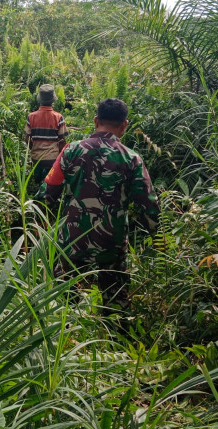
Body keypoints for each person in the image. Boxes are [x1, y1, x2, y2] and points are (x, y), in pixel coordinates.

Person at [38, 98, 159, 308]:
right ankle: (113, 332)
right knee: (115, 303)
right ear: (124, 125)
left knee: (65, 304)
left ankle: (68, 334)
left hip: (73, 240)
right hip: (112, 244)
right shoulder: (132, 159)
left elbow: (47, 193)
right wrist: (159, 240)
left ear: (96, 121)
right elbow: (149, 207)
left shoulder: (70, 151)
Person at [25, 84, 69, 185]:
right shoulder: (58, 117)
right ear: (52, 100)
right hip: (52, 160)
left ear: (40, 99)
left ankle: (35, 198)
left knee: (37, 184)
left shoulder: (31, 117)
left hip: (36, 159)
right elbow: (62, 141)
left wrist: (34, 148)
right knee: (49, 186)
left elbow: (27, 139)